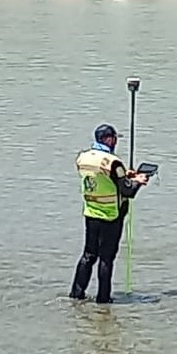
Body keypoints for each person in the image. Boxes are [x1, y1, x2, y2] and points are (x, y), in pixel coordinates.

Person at [69, 123, 149, 304]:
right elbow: (128, 191)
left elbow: (101, 176)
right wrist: (139, 180)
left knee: (88, 255)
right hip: (111, 216)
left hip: (91, 212)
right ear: (110, 140)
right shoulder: (114, 162)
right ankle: (103, 299)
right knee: (106, 258)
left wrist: (124, 175)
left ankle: (76, 294)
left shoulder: (83, 158)